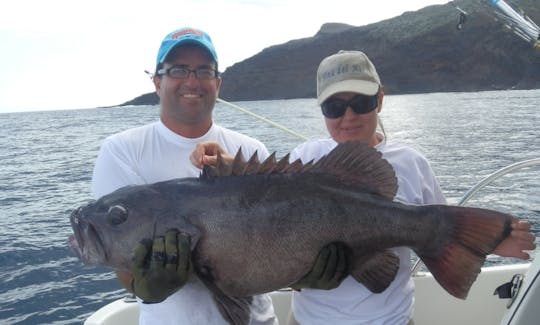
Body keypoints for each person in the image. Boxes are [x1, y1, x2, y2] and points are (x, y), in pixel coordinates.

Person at [191, 49, 536, 325]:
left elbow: (446, 231)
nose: (349, 116)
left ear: (381, 101)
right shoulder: (305, 156)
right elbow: (256, 212)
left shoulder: (411, 162)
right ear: (322, 111)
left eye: (362, 102)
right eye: (335, 107)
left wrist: (494, 240)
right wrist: (223, 165)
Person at [92, 27, 347, 325]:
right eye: (178, 70)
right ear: (157, 82)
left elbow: (273, 246)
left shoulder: (249, 149)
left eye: (203, 70)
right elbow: (120, 254)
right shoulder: (123, 151)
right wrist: (143, 287)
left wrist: (305, 275)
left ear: (218, 83)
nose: (192, 80)